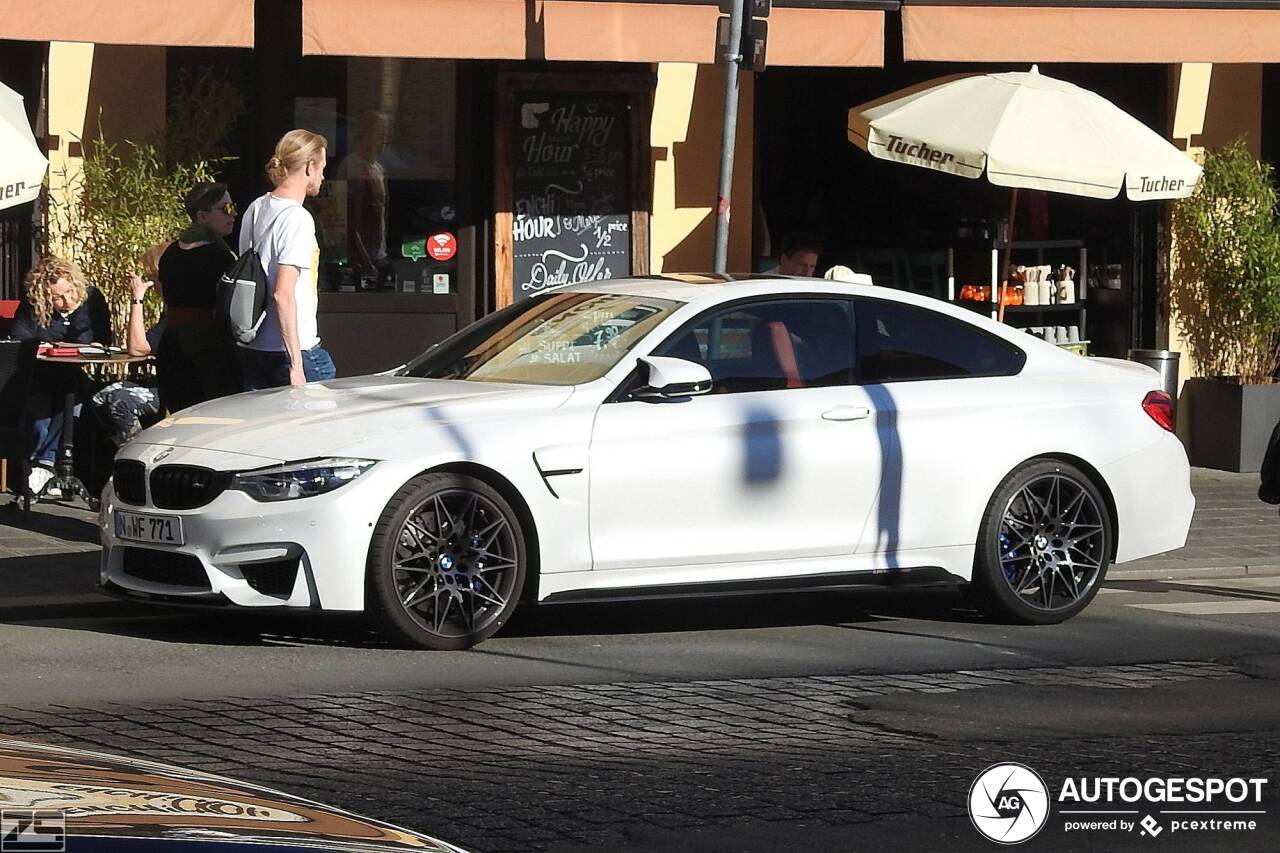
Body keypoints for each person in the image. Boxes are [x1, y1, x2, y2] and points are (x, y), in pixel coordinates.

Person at [237, 129, 335, 389]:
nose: (323, 176)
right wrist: (296, 365)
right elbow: (282, 293)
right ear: (309, 167)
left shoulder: (255, 209)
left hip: (254, 346)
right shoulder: (297, 218)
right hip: (293, 349)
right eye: (322, 167)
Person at [9, 257, 112, 494]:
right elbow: (20, 340)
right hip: (39, 375)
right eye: (57, 297)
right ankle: (44, 465)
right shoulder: (33, 306)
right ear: (45, 297)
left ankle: (44, 467)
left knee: (71, 401)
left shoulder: (92, 299)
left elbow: (101, 339)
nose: (67, 300)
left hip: (73, 373)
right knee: (42, 415)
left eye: (69, 291)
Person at [154, 182, 242, 411]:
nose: (233, 214)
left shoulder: (169, 254)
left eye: (233, 207)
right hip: (210, 353)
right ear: (202, 216)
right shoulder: (221, 257)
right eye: (226, 209)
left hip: (173, 349)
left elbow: (164, 299)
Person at [90, 273, 161, 445]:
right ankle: (117, 453)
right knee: (99, 396)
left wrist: (137, 299)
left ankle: (138, 455)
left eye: (151, 275)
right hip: (158, 381)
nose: (147, 281)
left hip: (172, 389)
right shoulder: (168, 312)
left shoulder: (178, 312)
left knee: (121, 401)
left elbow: (138, 349)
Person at [340, 111, 391, 280]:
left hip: (378, 253)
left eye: (386, 135)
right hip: (362, 257)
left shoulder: (378, 168)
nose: (384, 140)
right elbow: (350, 221)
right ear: (366, 134)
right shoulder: (353, 168)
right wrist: (366, 262)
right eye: (380, 135)